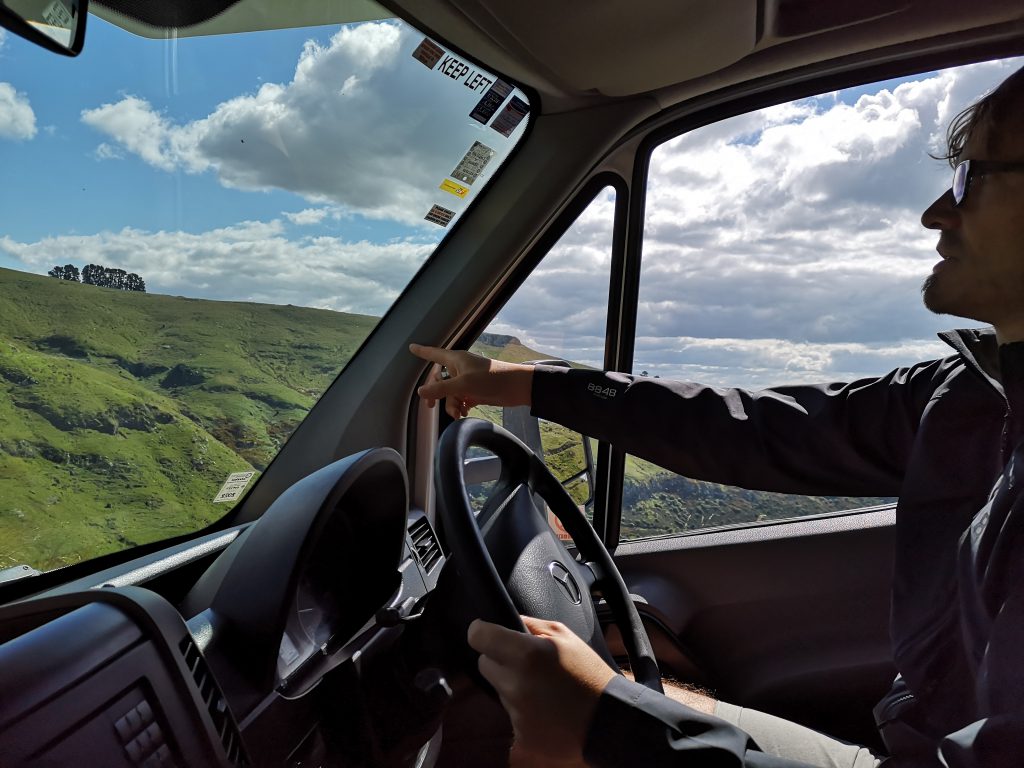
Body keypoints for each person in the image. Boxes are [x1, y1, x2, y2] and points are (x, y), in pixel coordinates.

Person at [411, 64, 1024, 768]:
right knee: (637, 694)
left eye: (969, 179)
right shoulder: (974, 393)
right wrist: (534, 385)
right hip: (924, 736)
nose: (935, 214)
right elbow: (761, 429)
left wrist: (610, 733)